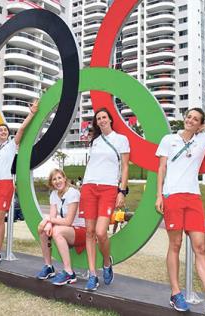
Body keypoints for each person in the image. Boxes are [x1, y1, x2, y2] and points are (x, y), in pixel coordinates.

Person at [155, 108, 205, 315]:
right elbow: (161, 168)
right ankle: (175, 293)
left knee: (200, 247)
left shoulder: (203, 138)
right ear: (184, 118)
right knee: (175, 244)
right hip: (172, 196)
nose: (191, 120)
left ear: (200, 122)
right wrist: (159, 195)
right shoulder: (169, 139)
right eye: (189, 117)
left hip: (193, 197)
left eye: (196, 119)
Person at [0, 100, 38, 264]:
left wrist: (32, 113)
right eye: (1, 130)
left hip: (5, 183)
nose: (3, 131)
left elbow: (21, 129)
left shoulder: (13, 145)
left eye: (5, 130)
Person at [79, 108, 130, 291]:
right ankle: (93, 274)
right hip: (89, 187)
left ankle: (107, 263)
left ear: (110, 119)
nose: (101, 120)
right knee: (90, 232)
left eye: (104, 117)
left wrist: (122, 191)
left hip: (108, 188)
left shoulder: (121, 140)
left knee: (101, 232)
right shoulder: (95, 142)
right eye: (98, 118)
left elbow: (124, 167)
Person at [36, 169, 86, 285]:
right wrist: (47, 223)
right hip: (68, 230)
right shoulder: (54, 194)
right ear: (51, 182)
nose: (57, 181)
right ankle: (49, 267)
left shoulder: (73, 193)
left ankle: (69, 272)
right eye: (54, 179)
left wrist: (49, 219)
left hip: (81, 230)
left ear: (64, 179)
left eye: (59, 178)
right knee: (42, 228)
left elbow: (68, 221)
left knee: (57, 231)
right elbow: (52, 215)